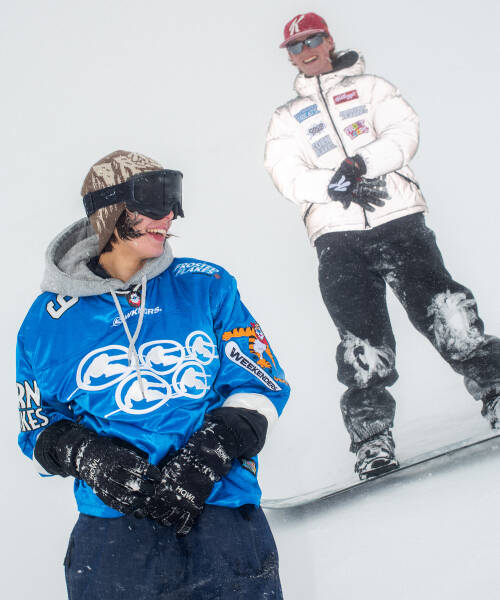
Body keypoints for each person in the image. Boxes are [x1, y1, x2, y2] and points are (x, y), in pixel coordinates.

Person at [17, 150, 289, 599]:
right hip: (113, 539)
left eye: (173, 199)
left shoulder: (206, 286)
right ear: (108, 213)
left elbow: (260, 381)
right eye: (153, 202)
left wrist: (212, 451)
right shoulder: (46, 325)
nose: (170, 215)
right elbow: (37, 425)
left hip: (220, 515)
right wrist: (88, 456)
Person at [264, 12, 500, 480]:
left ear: (328, 40)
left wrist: (360, 164)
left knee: (449, 315)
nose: (306, 51)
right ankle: (372, 441)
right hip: (337, 239)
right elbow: (284, 171)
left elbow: (403, 132)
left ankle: (496, 393)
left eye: (312, 40)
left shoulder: (371, 88)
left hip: (399, 223)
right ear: (289, 56)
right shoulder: (286, 118)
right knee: (362, 345)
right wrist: (334, 186)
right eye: (295, 46)